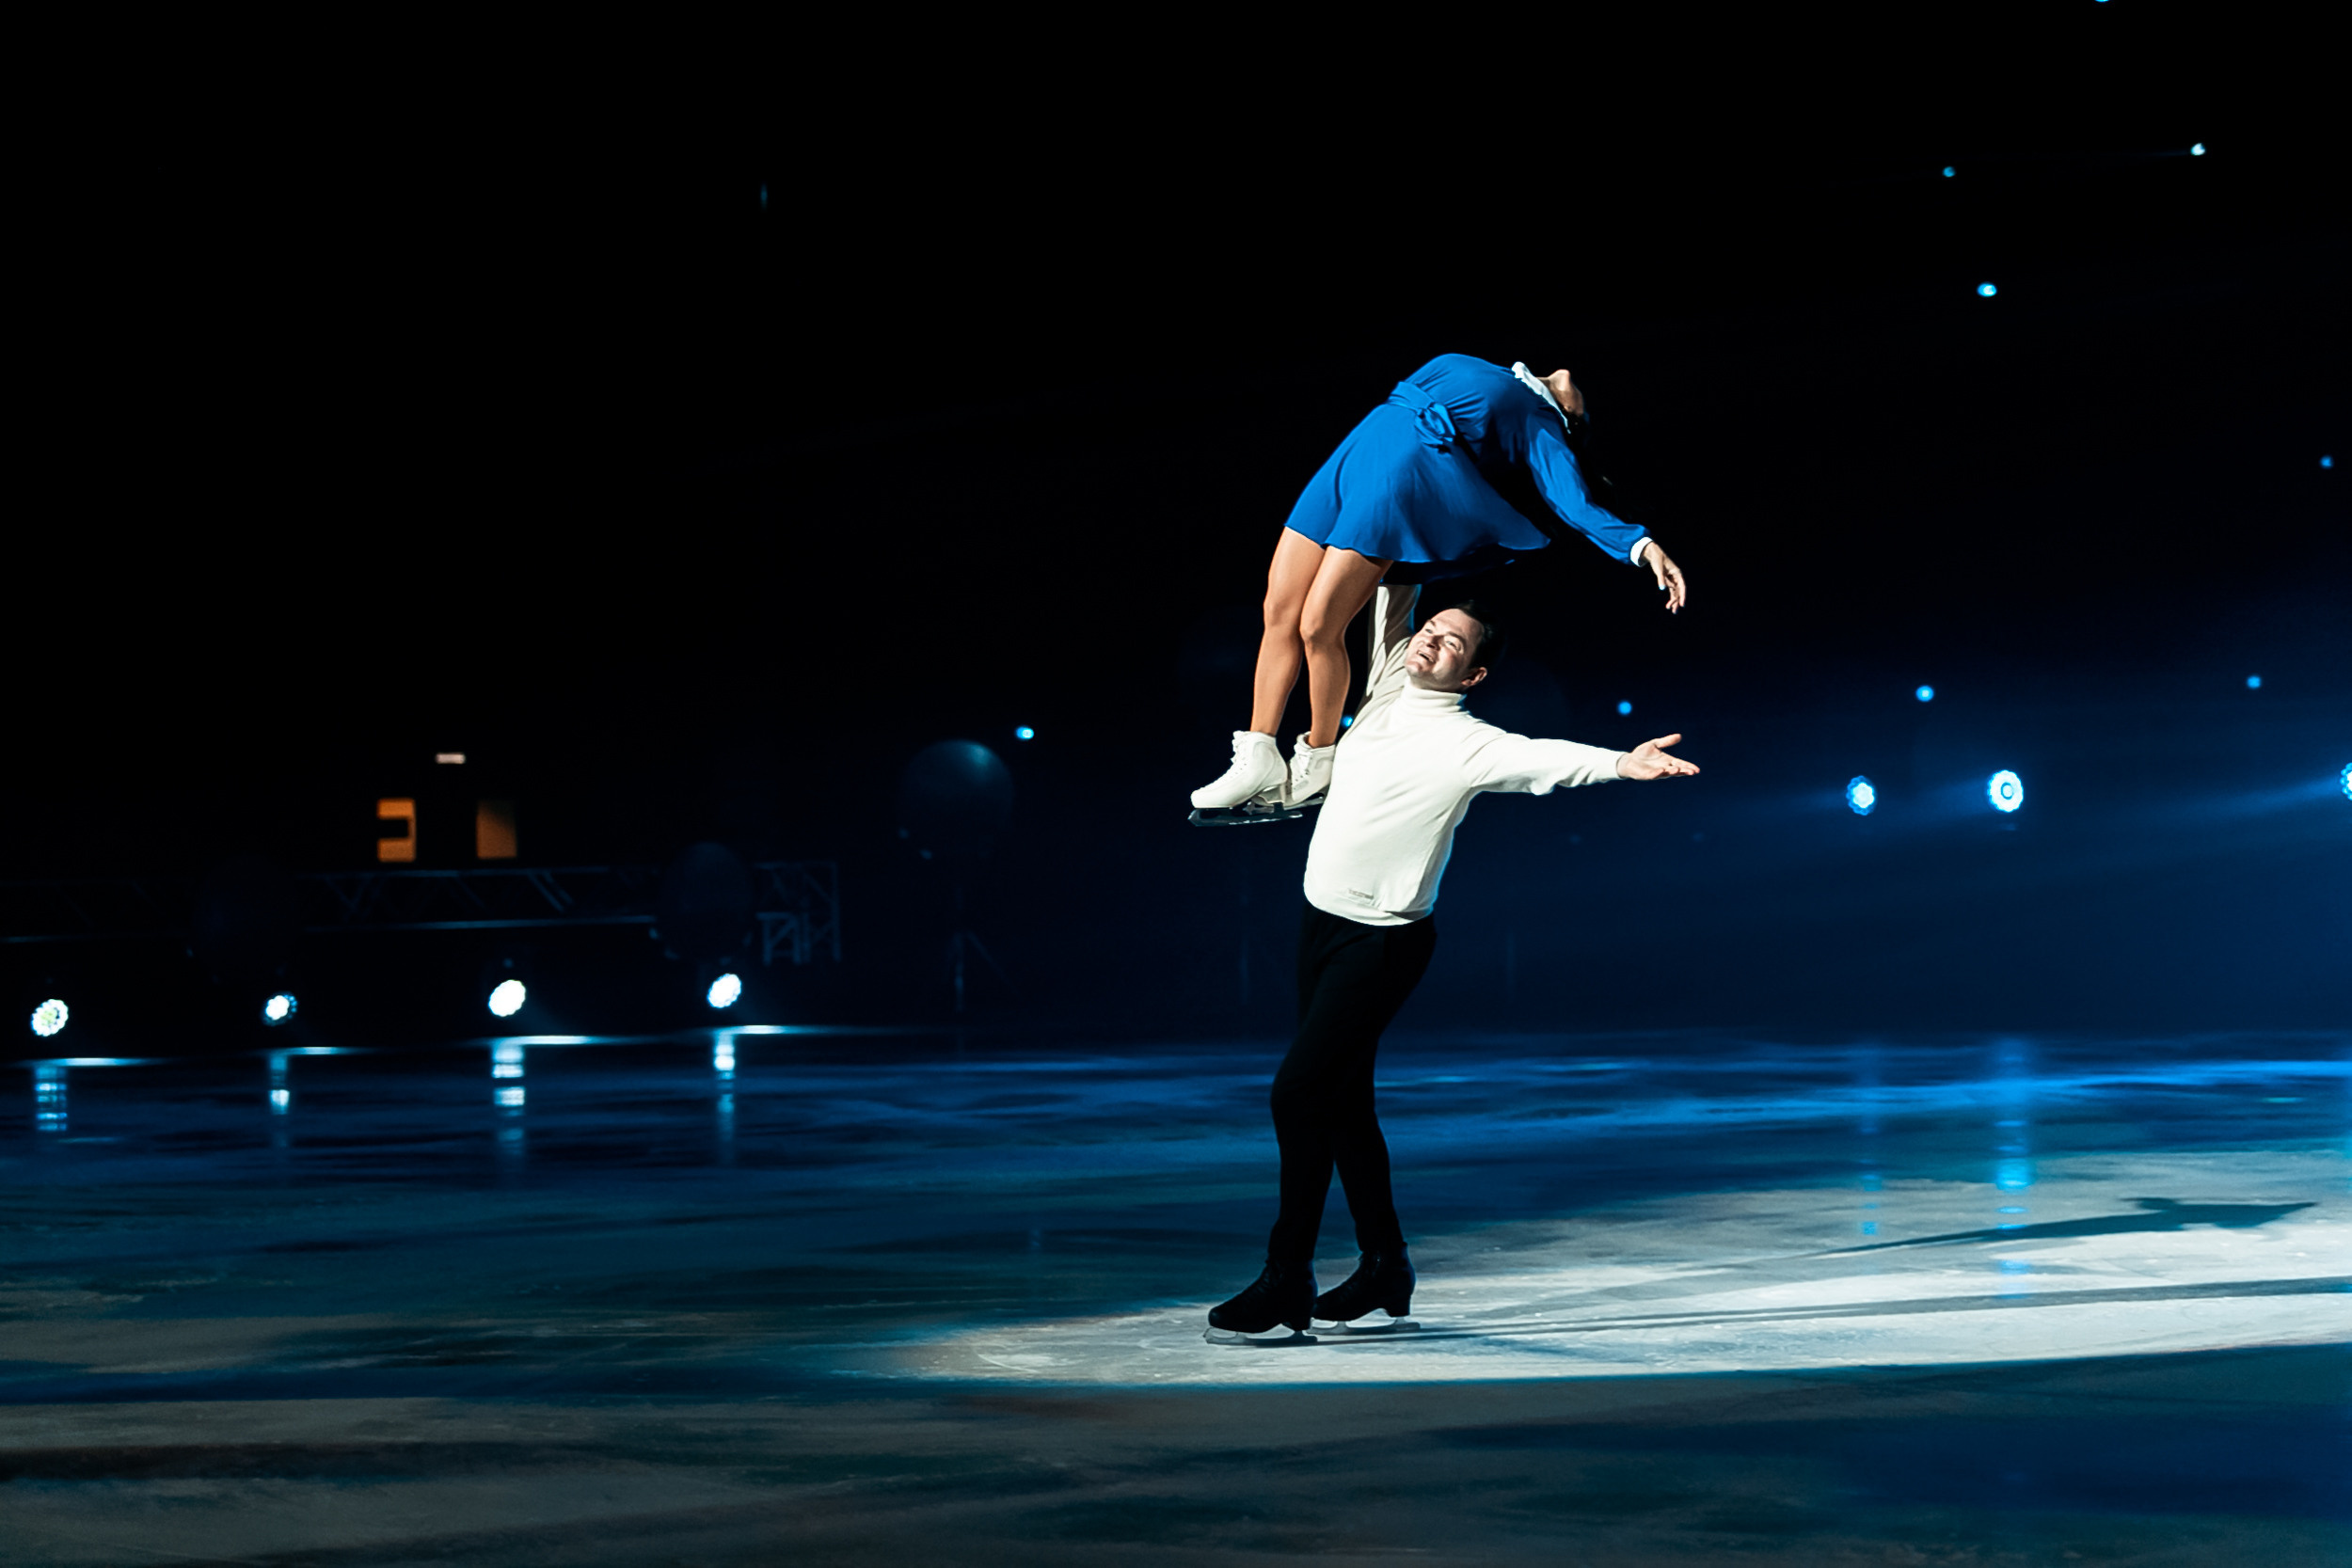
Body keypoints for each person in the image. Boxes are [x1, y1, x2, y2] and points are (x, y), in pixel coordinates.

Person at [1206, 586, 1699, 1338]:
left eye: (1453, 644)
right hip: (1321, 924)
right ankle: (1385, 1264)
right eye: (1430, 631)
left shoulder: (1469, 741)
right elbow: (1382, 596)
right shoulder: (1379, 689)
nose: (1430, 644)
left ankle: (1286, 1277)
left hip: (1381, 943)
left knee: (1297, 1094)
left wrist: (1621, 763)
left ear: (1472, 676)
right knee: (1341, 1104)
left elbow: (1545, 760)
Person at [1190, 354, 1689, 819]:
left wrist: (1643, 546)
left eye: (1579, 406)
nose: (1572, 381)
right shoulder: (1497, 371)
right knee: (1278, 611)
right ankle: (1258, 752)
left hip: (1398, 477)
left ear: (1568, 416)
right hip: (1362, 447)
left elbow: (1576, 504)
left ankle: (1318, 758)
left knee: (1319, 626)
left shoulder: (1539, 422)